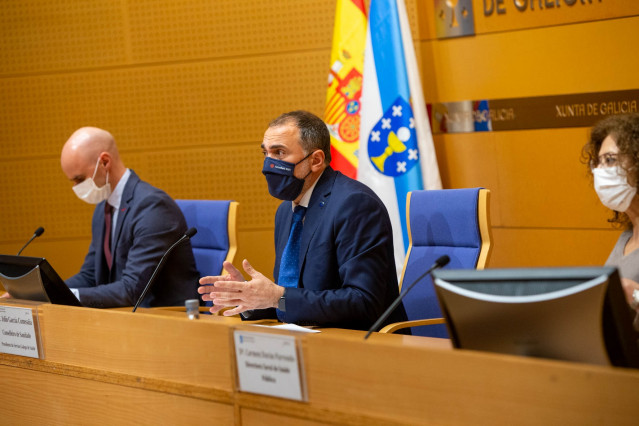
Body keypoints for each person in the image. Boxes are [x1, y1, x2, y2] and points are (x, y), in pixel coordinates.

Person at [198, 110, 408, 330]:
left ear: (316, 160)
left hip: (362, 344)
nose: (268, 164)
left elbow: (363, 302)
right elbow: (295, 299)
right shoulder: (286, 211)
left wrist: (277, 296)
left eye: (279, 153)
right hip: (306, 340)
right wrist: (250, 298)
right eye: (265, 153)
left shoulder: (355, 205)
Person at [60, 127, 200, 308]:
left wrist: (65, 296)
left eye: (79, 179)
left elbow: (132, 290)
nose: (76, 187)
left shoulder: (153, 207)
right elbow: (91, 275)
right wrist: (48, 291)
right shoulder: (104, 206)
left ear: (104, 162)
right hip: (126, 315)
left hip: (164, 319)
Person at [583, 113, 639, 329]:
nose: (599, 171)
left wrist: (633, 295)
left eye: (610, 160)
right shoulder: (626, 238)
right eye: (597, 163)